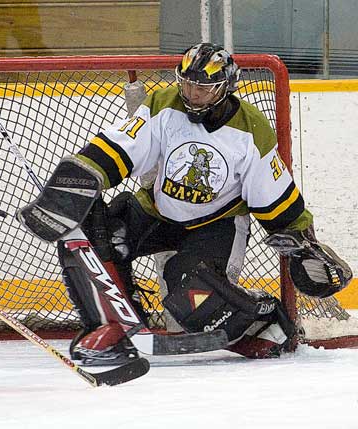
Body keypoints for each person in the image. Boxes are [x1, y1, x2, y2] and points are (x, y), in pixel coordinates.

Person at [18, 43, 353, 365]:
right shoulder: (164, 104)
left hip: (216, 225)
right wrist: (79, 180)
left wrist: (301, 240)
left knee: (191, 298)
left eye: (203, 88)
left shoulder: (251, 130)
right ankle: (116, 324)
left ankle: (261, 315)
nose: (193, 94)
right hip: (157, 212)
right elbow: (120, 148)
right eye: (188, 84)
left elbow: (274, 195)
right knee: (93, 232)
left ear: (226, 87)